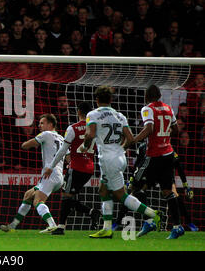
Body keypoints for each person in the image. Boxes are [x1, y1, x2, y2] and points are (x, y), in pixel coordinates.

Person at [83, 86, 161, 239]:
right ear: (111, 100)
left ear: (96, 100)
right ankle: (106, 228)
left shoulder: (92, 114)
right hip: (120, 157)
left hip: (107, 160)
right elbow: (131, 139)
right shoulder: (120, 116)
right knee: (103, 190)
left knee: (121, 195)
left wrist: (85, 146)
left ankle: (152, 214)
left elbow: (90, 135)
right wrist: (120, 149)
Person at [131, 84, 185, 239]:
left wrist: (133, 140)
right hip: (168, 153)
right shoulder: (168, 108)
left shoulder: (147, 109)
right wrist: (164, 137)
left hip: (153, 155)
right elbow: (175, 130)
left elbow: (149, 128)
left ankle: (149, 221)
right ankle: (177, 226)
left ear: (146, 97)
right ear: (160, 96)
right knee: (168, 191)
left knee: (136, 187)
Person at [0, 114, 64, 234]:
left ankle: (52, 225)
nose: (39, 125)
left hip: (49, 174)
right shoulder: (62, 138)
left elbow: (25, 145)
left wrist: (28, 143)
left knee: (38, 201)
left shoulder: (45, 134)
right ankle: (13, 225)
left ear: (51, 124)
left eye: (42, 123)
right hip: (59, 176)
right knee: (28, 195)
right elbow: (68, 158)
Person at [113, 143, 198, 232]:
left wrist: (185, 185)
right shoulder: (142, 148)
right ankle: (118, 222)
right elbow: (137, 165)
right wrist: (131, 180)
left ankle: (188, 223)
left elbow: (178, 166)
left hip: (163, 173)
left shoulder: (166, 147)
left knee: (174, 194)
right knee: (134, 194)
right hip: (149, 173)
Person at [46, 102, 101, 235]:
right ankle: (92, 212)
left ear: (79, 112)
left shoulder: (73, 128)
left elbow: (63, 151)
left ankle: (60, 227)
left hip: (76, 167)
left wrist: (51, 166)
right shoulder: (96, 129)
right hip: (89, 168)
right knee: (70, 197)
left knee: (65, 196)